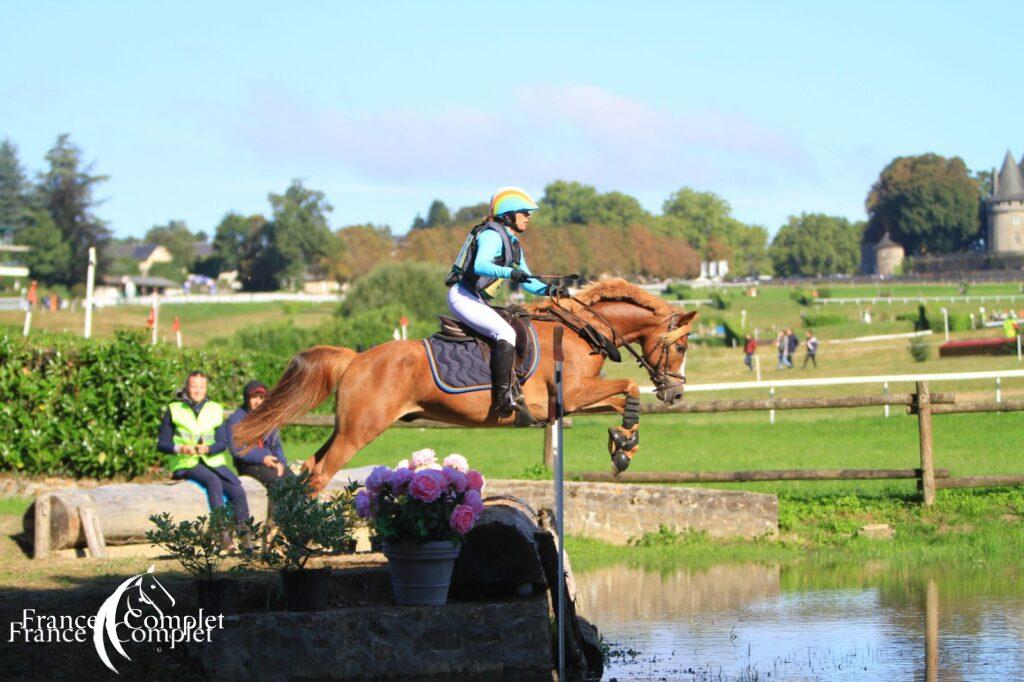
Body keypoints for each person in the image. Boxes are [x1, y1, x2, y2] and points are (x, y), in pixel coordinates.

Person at [445, 186, 569, 416]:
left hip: (475, 299)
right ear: (508, 215)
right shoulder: (492, 235)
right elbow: (480, 265)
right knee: (506, 333)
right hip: (463, 296)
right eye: (524, 212)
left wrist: (552, 290)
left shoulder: (512, 243)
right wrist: (510, 273)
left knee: (515, 324)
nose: (529, 216)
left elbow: (528, 281)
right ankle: (502, 399)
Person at [157, 371, 250, 527]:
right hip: (185, 463)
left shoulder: (215, 408)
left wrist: (208, 449)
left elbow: (222, 443)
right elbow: (162, 444)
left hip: (212, 462)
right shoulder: (174, 409)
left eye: (201, 387)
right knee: (213, 481)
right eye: (194, 386)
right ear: (186, 387)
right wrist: (181, 448)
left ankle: (246, 540)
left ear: (206, 388)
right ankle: (222, 534)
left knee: (237, 489)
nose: (197, 391)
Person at [226, 380, 293, 488]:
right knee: (276, 482)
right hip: (249, 464)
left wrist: (281, 462)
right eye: (254, 397)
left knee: (294, 482)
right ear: (247, 398)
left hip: (271, 461)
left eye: (261, 398)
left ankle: (300, 505)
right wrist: (262, 458)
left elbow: (276, 446)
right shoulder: (236, 419)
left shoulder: (267, 418)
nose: (257, 401)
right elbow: (237, 450)